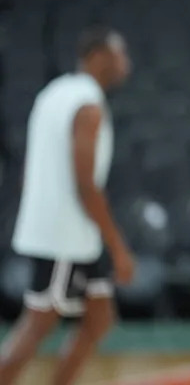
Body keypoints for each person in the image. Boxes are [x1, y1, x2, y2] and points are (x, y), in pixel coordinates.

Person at [0, 26, 135, 385]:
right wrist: (119, 247)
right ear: (96, 56)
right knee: (39, 323)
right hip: (63, 235)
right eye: (119, 54)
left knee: (99, 317)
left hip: (76, 233)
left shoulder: (54, 92)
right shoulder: (87, 107)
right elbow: (85, 186)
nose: (126, 63)